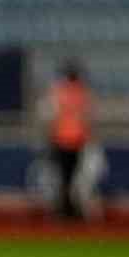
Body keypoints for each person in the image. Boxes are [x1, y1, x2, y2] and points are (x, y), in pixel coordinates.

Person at [42, 61, 93, 219]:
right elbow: (88, 118)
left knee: (65, 178)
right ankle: (69, 208)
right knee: (71, 178)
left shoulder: (59, 92)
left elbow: (51, 117)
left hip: (63, 140)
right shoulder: (82, 93)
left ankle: (65, 209)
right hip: (75, 140)